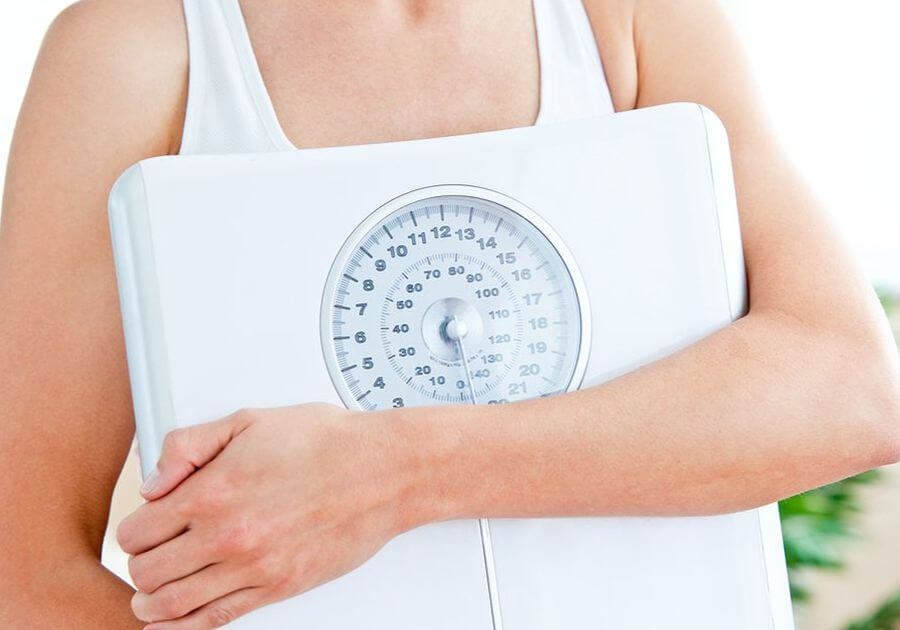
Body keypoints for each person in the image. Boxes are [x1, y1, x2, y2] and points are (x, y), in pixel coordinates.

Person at [1, 0, 898, 628]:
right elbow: (23, 570)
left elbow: (852, 394)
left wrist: (394, 473)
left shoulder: (628, 21)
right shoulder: (138, 48)